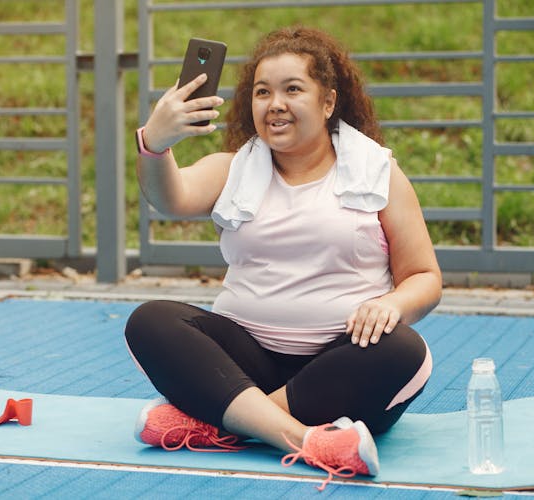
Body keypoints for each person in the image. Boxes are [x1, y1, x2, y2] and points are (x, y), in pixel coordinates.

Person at [125, 26, 441, 490]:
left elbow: (423, 277)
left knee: (405, 351)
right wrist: (154, 142)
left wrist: (392, 304)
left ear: (328, 102)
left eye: (293, 89)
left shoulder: (380, 173)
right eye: (262, 92)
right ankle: (307, 440)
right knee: (150, 321)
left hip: (339, 367)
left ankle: (224, 422)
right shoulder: (231, 168)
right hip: (243, 361)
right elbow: (169, 198)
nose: (275, 104)